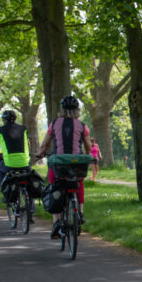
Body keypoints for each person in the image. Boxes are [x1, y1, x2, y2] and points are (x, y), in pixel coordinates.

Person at [34, 95, 93, 239]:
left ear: (62, 109)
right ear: (77, 110)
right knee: (78, 182)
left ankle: (57, 222)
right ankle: (80, 212)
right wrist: (87, 154)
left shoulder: (54, 124)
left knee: (55, 186)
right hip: (77, 163)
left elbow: (45, 144)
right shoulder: (83, 126)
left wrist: (40, 154)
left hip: (59, 163)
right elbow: (88, 147)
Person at [0, 109, 33, 221]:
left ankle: (6, 195)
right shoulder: (23, 129)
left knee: (1, 171)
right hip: (24, 162)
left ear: (4, 120)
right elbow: (28, 144)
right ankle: (30, 211)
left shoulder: (0, 130)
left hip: (9, 163)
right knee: (28, 184)